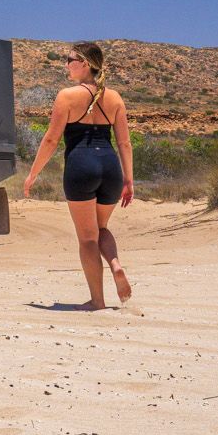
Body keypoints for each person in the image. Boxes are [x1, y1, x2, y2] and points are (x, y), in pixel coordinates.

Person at [22, 42, 133, 309]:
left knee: (87, 238)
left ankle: (97, 301)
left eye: (70, 59)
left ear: (85, 64)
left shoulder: (67, 96)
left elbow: (50, 140)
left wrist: (33, 174)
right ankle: (115, 263)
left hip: (81, 167)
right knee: (101, 228)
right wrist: (129, 180)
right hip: (110, 168)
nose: (66, 64)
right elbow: (125, 144)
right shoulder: (115, 98)